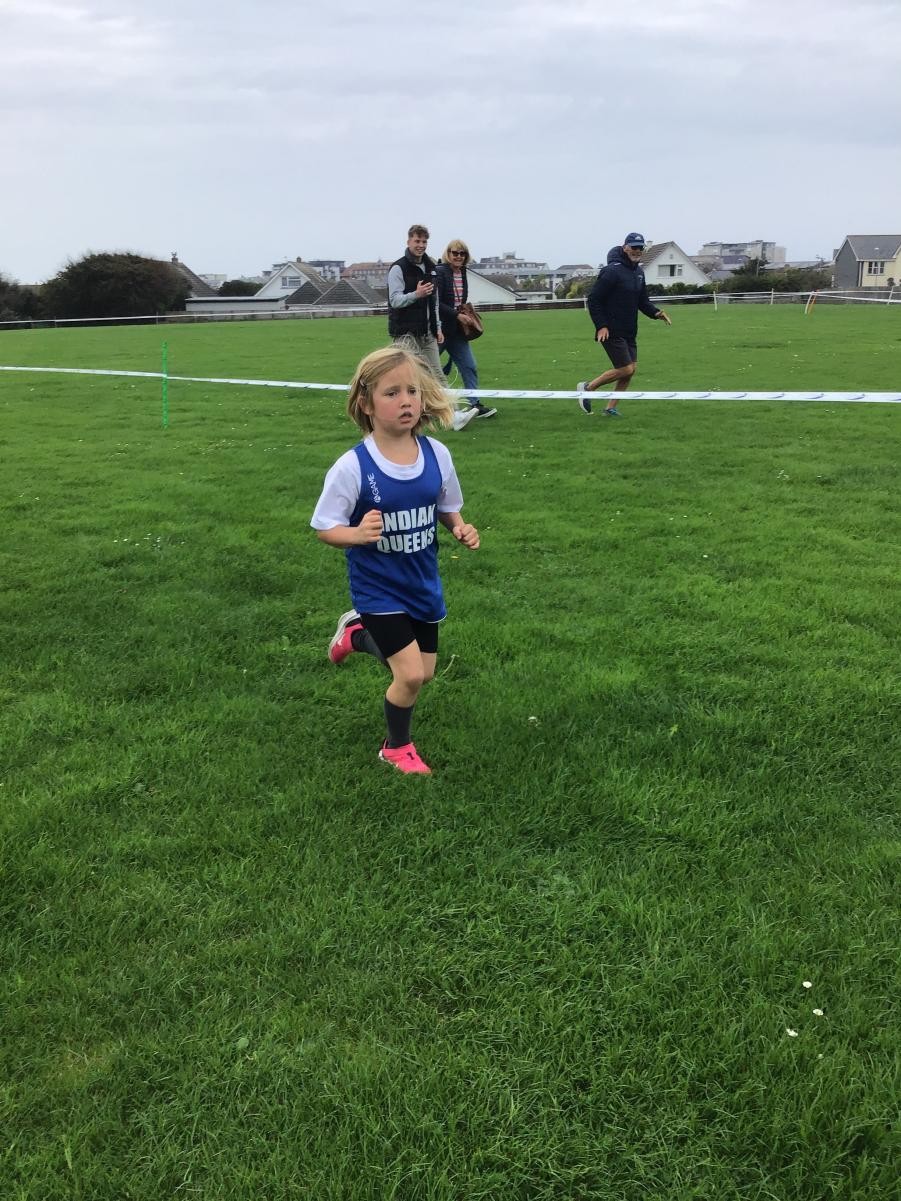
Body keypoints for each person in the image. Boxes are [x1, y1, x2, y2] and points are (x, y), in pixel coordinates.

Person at [311, 345, 480, 775]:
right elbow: (324, 526)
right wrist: (355, 534)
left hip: (422, 582)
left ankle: (355, 636)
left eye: (412, 391)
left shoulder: (437, 456)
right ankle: (396, 748)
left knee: (424, 674)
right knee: (407, 678)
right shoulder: (353, 467)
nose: (406, 401)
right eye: (391, 393)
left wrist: (459, 526)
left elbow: (446, 505)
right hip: (378, 587)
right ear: (365, 404)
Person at [387, 224, 477, 432]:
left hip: (428, 332)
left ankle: (454, 416)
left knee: (437, 374)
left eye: (424, 242)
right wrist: (415, 295)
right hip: (405, 333)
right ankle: (399, 414)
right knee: (410, 377)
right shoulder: (398, 268)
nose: (420, 245)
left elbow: (434, 302)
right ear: (408, 241)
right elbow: (394, 300)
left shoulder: (430, 267)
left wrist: (437, 327)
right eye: (417, 241)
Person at [576, 232, 672, 416]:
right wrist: (601, 325)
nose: (637, 250)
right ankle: (588, 388)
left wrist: (656, 313)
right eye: (634, 247)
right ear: (625, 247)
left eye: (640, 247)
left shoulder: (638, 272)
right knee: (625, 368)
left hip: (629, 330)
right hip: (610, 330)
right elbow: (594, 299)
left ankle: (610, 408)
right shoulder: (612, 271)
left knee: (630, 371)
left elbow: (642, 301)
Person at [436, 239, 497, 419]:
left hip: (457, 331)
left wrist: (463, 316)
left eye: (462, 253)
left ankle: (475, 405)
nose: (459, 257)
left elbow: (459, 301)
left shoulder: (463, 272)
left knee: (469, 366)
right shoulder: (440, 273)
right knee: (424, 369)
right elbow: (436, 303)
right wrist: (456, 315)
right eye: (455, 253)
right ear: (448, 254)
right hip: (439, 331)